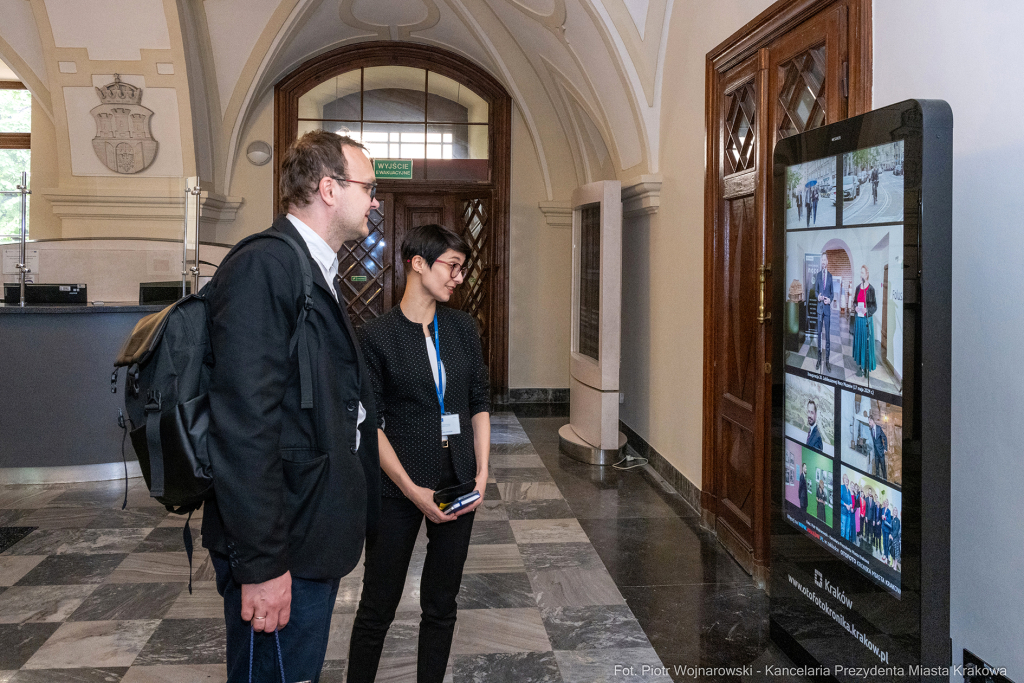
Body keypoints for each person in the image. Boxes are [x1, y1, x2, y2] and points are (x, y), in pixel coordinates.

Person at [203, 130, 381, 682]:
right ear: (329, 188)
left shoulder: (309, 265)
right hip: (282, 545)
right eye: (368, 187)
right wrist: (261, 566)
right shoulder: (265, 266)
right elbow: (243, 425)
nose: (376, 202)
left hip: (308, 532)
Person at [348, 224, 491, 683]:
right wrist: (412, 491)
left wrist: (482, 473)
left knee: (442, 605)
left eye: (462, 269)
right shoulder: (377, 336)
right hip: (398, 489)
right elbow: (370, 424)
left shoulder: (463, 328)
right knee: (377, 607)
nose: (459, 278)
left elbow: (479, 402)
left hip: (459, 482)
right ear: (418, 264)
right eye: (452, 266)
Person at [852, 265, 877, 384]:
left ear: (867, 274)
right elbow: (854, 302)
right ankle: (861, 367)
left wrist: (867, 310)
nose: (861, 275)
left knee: (866, 344)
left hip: (867, 320)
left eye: (863, 273)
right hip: (859, 320)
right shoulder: (858, 288)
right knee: (860, 343)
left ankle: (867, 367)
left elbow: (874, 306)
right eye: (860, 273)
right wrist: (856, 307)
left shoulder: (871, 289)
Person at [814, 253, 834, 372]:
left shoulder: (830, 276)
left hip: (827, 310)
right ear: (821, 261)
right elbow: (815, 291)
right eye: (822, 259)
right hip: (819, 310)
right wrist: (818, 297)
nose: (823, 261)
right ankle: (818, 359)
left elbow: (832, 293)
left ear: (827, 262)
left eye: (825, 259)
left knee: (827, 336)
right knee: (819, 335)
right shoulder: (818, 275)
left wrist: (829, 300)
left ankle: (827, 361)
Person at [869, 416, 888, 481]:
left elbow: (885, 438)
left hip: (881, 452)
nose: (869, 423)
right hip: (876, 453)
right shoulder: (871, 430)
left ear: (872, 420)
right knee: (876, 467)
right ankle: (877, 479)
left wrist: (885, 449)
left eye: (869, 422)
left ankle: (885, 479)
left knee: (883, 467)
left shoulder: (879, 428)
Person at [840, 474, 852, 541]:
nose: (846, 480)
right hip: (843, 513)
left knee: (847, 531)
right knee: (843, 530)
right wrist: (846, 505)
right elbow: (839, 499)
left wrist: (850, 505)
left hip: (849, 514)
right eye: (845, 478)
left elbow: (851, 502)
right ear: (843, 480)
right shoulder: (841, 487)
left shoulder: (849, 491)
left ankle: (846, 545)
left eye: (847, 479)